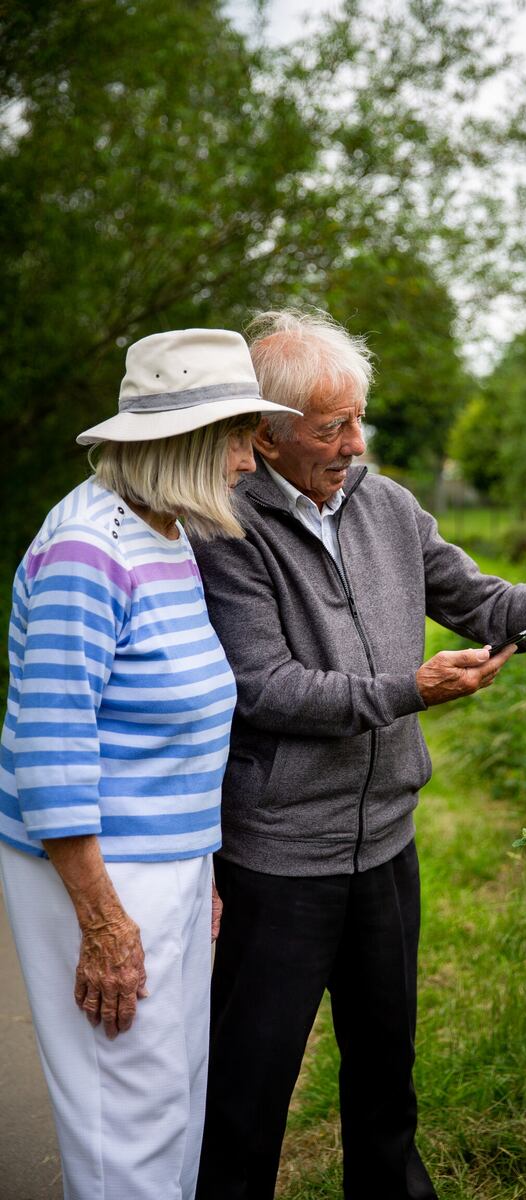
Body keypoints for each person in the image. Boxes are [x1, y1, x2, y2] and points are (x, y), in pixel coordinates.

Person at [191, 309, 526, 1200]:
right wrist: (407, 691)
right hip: (279, 858)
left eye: (358, 419)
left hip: (388, 846)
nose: (353, 443)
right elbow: (264, 687)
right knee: (248, 1089)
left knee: (387, 1079)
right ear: (265, 437)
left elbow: (486, 603)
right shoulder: (224, 528)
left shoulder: (388, 507)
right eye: (329, 427)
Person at [0, 328, 299, 1200]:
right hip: (99, 874)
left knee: (174, 1099)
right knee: (121, 1122)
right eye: (240, 437)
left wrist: (197, 863)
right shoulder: (84, 552)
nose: (250, 460)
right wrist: (106, 923)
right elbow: (48, 753)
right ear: (190, 442)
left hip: (165, 864)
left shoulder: (164, 533)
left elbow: (175, 724)